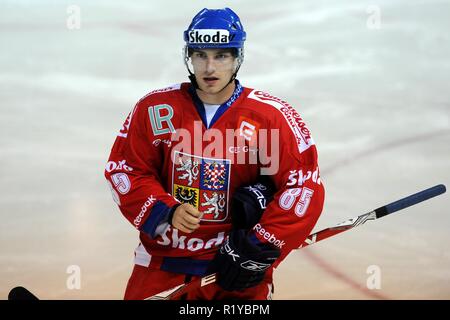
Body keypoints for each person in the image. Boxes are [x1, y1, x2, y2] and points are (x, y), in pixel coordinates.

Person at [104, 7, 325, 300]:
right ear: (189, 56)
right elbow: (125, 169)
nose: (209, 68)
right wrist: (166, 210)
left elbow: (303, 184)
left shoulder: (270, 116)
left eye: (221, 56)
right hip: (162, 263)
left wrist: (259, 245)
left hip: (237, 268)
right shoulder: (156, 109)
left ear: (237, 58)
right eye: (201, 55)